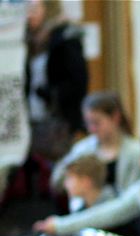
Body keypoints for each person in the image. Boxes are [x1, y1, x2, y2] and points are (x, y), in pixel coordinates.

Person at [25, 0, 88, 162]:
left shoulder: (65, 38)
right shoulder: (31, 40)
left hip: (59, 121)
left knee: (57, 171)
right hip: (34, 118)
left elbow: (78, 82)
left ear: (49, 9)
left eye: (34, 9)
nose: (29, 14)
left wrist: (49, 94)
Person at [51, 92, 140, 197]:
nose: (92, 129)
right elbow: (57, 179)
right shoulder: (83, 149)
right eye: (88, 123)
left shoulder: (136, 152)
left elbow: (130, 199)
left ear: (115, 118)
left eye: (96, 122)